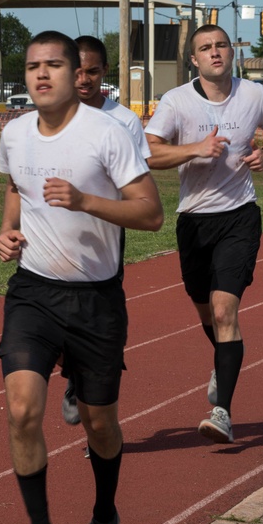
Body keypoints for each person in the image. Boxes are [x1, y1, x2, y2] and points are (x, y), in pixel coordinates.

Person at [0, 30, 164, 524]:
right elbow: (17, 188)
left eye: (53, 66)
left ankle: (104, 516)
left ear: (77, 74)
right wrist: (7, 231)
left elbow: (151, 213)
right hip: (34, 292)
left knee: (100, 425)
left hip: (96, 299)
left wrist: (87, 200)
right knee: (22, 409)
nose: (41, 75)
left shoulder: (108, 134)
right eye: (32, 66)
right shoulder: (16, 133)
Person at [144, 24, 263, 443]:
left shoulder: (255, 95)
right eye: (205, 48)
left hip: (239, 216)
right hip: (193, 220)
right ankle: (222, 357)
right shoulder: (176, 102)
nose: (214, 53)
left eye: (221, 46)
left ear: (231, 52)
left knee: (226, 311)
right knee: (205, 311)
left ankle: (222, 411)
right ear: (194, 59)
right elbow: (148, 151)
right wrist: (194, 149)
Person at [57, 35, 153, 427]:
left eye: (92, 71)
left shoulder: (123, 121)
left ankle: (88, 389)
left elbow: (139, 185)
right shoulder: (49, 115)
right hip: (53, 232)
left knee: (96, 324)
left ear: (104, 73)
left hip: (103, 234)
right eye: (77, 70)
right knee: (50, 321)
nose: (84, 79)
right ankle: (74, 375)